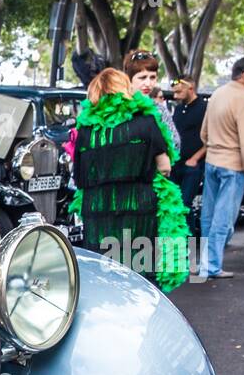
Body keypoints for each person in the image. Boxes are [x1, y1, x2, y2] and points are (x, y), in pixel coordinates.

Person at [68, 67, 190, 291]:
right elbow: (164, 168)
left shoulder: (85, 129)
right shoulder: (146, 122)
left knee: (104, 275)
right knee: (141, 275)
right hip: (139, 207)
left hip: (98, 211)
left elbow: (79, 177)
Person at [196, 55, 244, 281]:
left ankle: (205, 263)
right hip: (233, 165)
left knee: (208, 217)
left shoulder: (218, 94)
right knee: (223, 219)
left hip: (212, 161)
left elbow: (203, 133)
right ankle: (212, 266)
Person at [169, 75, 208, 210]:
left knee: (185, 203)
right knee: (175, 202)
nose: (175, 96)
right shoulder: (179, 110)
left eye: (179, 92)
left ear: (190, 88)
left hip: (193, 165)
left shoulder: (204, 108)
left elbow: (211, 138)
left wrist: (195, 158)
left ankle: (189, 231)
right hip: (176, 163)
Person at [124, 50, 179, 142]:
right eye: (142, 78)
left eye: (152, 77)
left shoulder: (160, 110)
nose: (148, 83)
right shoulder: (116, 108)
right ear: (129, 79)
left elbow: (175, 144)